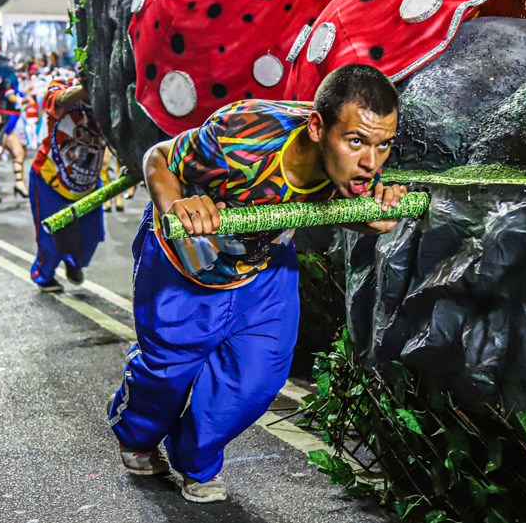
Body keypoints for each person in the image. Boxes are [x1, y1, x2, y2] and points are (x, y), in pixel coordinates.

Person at [107, 64, 407, 503]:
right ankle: (137, 435)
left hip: (265, 268)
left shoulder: (358, 163)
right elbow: (159, 157)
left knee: (254, 380)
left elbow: (345, 208)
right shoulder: (242, 135)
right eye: (357, 142)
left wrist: (375, 215)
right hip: (186, 265)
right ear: (317, 127)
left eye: (384, 145)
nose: (371, 163)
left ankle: (195, 461)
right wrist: (175, 208)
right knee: (167, 375)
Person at [27, 76, 105, 291]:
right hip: (50, 179)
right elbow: (59, 99)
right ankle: (44, 275)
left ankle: (73, 262)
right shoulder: (63, 82)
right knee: (50, 238)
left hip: (88, 183)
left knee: (92, 236)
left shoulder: (111, 95)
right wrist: (89, 86)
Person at [0, 76, 30, 202]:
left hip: (11, 124)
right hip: (2, 124)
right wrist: (22, 100)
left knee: (19, 153)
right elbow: (9, 96)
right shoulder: (6, 79)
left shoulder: (13, 80)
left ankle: (19, 183)